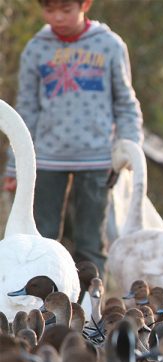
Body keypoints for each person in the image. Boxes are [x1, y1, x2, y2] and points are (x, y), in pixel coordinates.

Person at [3, 0, 142, 276]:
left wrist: (129, 150)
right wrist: (13, 165)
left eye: (65, 10)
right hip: (46, 159)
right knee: (39, 238)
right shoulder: (36, 49)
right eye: (50, 10)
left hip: (97, 157)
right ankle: (39, 310)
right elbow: (26, 109)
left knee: (90, 242)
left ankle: (91, 309)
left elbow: (126, 103)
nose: (57, 18)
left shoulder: (109, 45)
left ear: (85, 5)